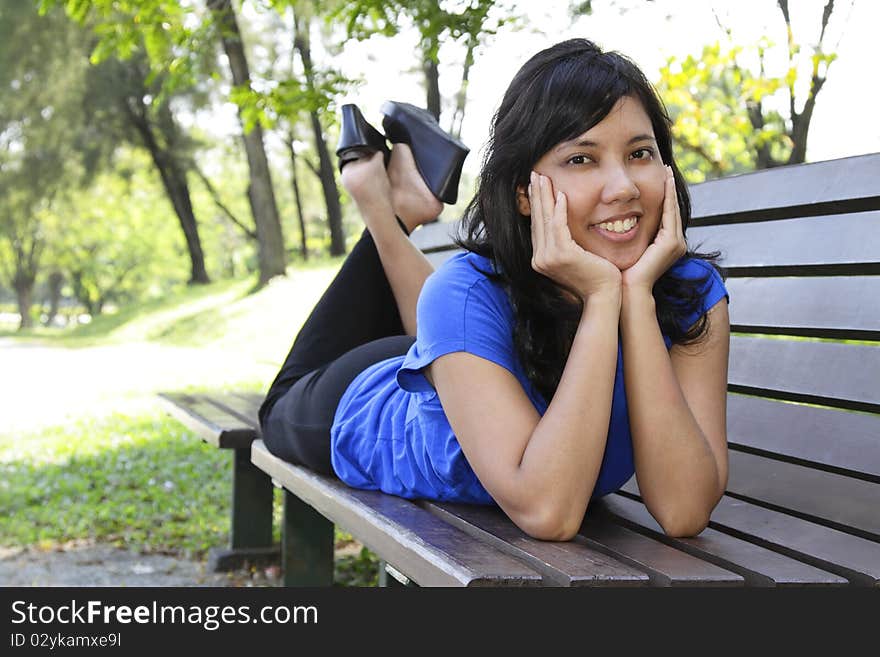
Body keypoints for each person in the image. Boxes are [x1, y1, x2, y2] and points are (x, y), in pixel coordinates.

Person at [259, 38, 730, 542]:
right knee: (278, 406)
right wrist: (601, 299)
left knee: (457, 306)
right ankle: (382, 205)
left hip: (463, 358)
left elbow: (684, 511)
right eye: (581, 159)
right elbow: (549, 510)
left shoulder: (691, 294)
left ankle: (395, 206)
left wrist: (635, 298)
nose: (623, 187)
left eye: (639, 153)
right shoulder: (463, 293)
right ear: (524, 193)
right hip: (360, 406)